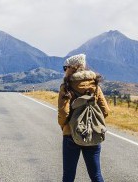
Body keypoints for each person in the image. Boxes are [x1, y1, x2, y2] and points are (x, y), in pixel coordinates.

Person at [58, 54, 110, 182]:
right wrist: (92, 121)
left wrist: (64, 126)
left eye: (65, 67)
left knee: (68, 176)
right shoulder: (95, 85)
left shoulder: (66, 86)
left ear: (71, 68)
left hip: (71, 134)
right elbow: (106, 111)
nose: (64, 70)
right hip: (93, 133)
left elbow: (63, 113)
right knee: (96, 175)